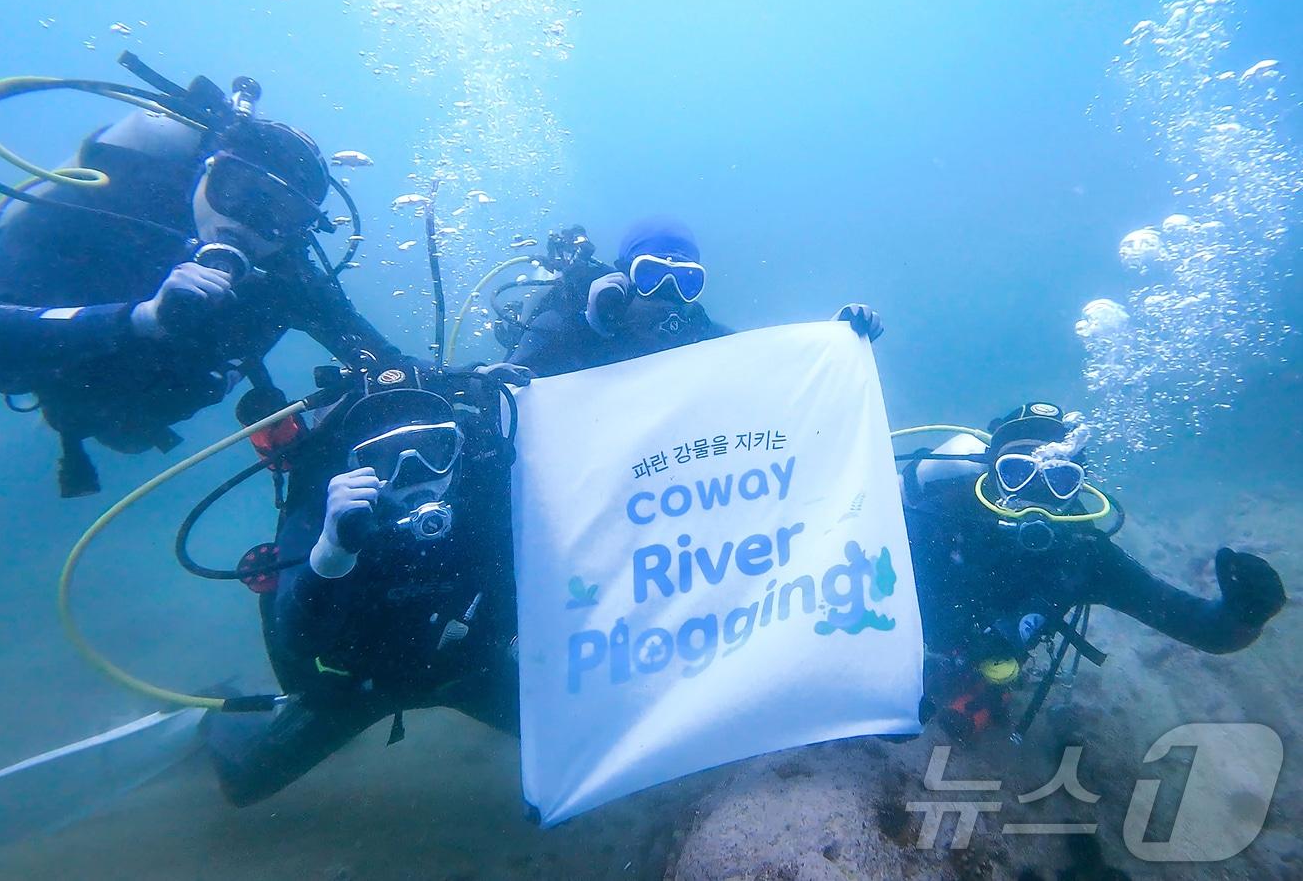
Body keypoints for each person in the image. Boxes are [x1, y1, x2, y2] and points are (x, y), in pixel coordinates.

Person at [0, 91, 402, 496]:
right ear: (208, 170)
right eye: (236, 192)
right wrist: (140, 318)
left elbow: (383, 360)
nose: (244, 224)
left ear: (298, 232)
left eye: (280, 216)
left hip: (110, 407)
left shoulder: (286, 276)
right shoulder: (108, 198)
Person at [204, 365, 520, 806]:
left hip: (466, 670)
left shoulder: (488, 491)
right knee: (242, 785)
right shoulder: (327, 511)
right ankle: (216, 709)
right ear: (356, 464)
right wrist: (331, 551)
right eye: (388, 459)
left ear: (459, 447)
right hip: (355, 687)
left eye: (435, 448)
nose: (416, 473)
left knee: (577, 733)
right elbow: (297, 641)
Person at [899, 403, 1287, 738]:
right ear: (990, 472)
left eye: (1060, 479)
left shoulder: (1086, 557)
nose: (1037, 495)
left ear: (1080, 487)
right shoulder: (938, 512)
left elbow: (1204, 628)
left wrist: (1246, 614)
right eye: (1017, 472)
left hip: (977, 654)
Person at [506, 217, 883, 376]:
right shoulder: (564, 325)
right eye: (652, 275)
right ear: (624, 276)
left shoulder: (703, 336)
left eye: (685, 281)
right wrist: (589, 328)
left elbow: (775, 368)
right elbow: (508, 389)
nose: (667, 295)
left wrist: (834, 343)